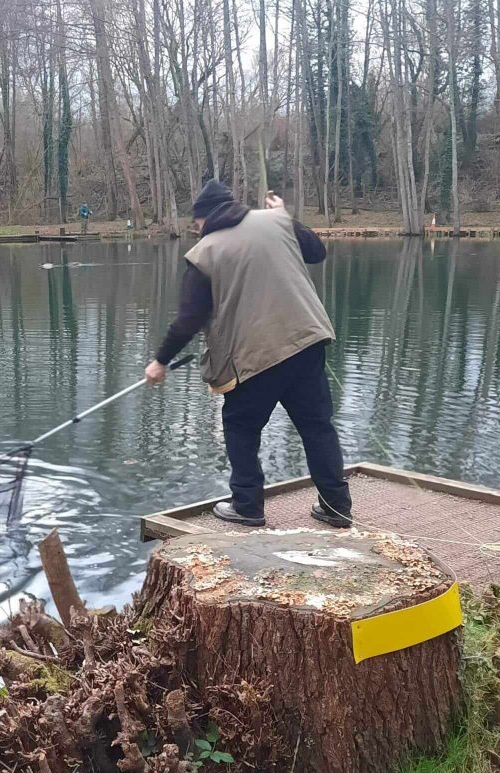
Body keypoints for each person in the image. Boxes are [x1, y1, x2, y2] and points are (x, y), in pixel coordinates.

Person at [145, 179, 352, 529]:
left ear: (204, 218)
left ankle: (247, 506)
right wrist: (287, 218)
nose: (195, 230)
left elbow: (188, 320)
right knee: (317, 427)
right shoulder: (275, 221)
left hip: (259, 356)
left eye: (195, 224)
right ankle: (336, 507)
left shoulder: (205, 251)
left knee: (240, 425)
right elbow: (317, 252)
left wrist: (160, 361)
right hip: (308, 340)